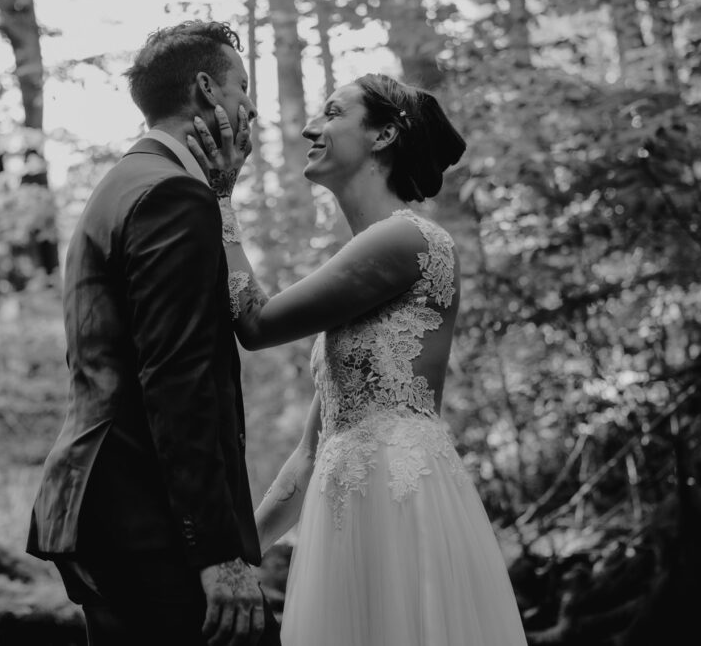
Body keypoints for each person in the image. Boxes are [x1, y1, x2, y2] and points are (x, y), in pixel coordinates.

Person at [187, 73, 528, 645]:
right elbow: (309, 455)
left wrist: (222, 195)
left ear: (382, 135)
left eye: (332, 113)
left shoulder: (409, 241)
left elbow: (255, 322)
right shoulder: (366, 259)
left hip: (398, 503)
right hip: (343, 508)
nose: (308, 128)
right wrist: (241, 555)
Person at [26, 20, 280, 646]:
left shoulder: (122, 184)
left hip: (98, 503)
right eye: (241, 86)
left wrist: (220, 194)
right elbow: (178, 380)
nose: (250, 105)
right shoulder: (172, 196)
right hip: (147, 516)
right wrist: (216, 553)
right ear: (204, 89)